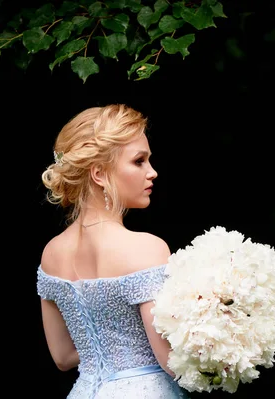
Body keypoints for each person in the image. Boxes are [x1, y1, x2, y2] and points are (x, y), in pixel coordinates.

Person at [36, 104, 187, 398]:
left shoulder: (51, 253)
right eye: (139, 161)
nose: (152, 172)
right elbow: (171, 362)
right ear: (99, 174)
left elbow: (63, 357)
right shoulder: (147, 248)